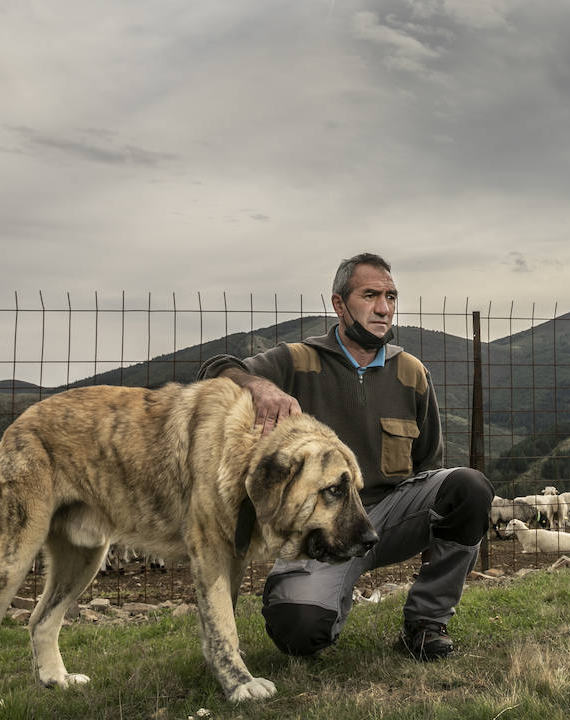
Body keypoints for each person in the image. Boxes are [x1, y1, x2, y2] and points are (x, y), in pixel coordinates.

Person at [197, 252, 494, 661]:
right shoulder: (296, 361)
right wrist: (258, 387)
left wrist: (436, 550)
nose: (384, 308)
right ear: (339, 304)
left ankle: (426, 622)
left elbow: (432, 468)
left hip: (391, 518)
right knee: (298, 632)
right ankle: (325, 596)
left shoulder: (412, 373)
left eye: (391, 296)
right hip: (322, 531)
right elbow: (215, 371)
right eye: (370, 295)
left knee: (468, 487)